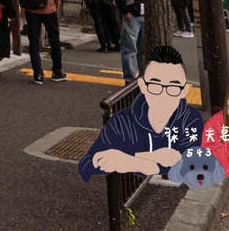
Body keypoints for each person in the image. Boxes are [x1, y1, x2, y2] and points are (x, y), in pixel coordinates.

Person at [78, 45, 205, 181]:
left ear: (184, 91)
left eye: (173, 87)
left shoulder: (190, 119)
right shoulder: (122, 121)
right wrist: (145, 161)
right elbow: (86, 165)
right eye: (155, 86)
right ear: (143, 86)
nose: (163, 94)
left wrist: (136, 161)